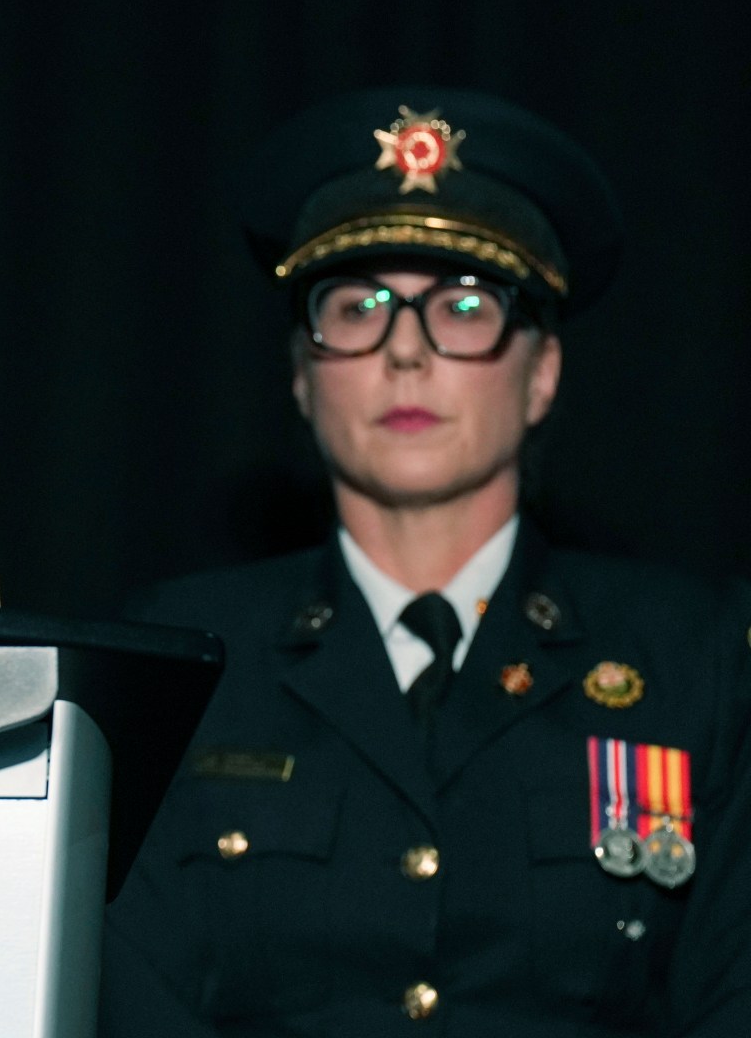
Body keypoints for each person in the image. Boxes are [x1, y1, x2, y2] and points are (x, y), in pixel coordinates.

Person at [103, 88, 751, 1034]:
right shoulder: (177, 657)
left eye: (465, 305)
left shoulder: (699, 660)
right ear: (301, 369)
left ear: (542, 373)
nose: (405, 350)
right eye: (359, 307)